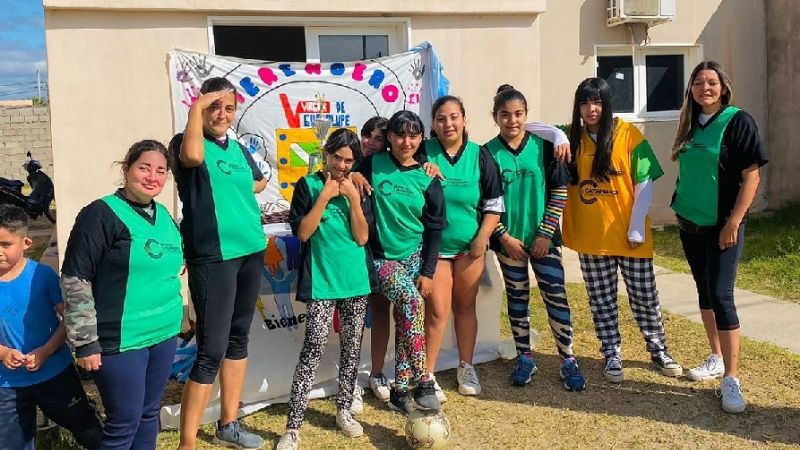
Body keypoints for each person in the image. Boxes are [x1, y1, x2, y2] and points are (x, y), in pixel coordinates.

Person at [61, 140, 183, 449]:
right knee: (123, 421)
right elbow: (76, 277)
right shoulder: (100, 214)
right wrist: (86, 341)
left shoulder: (164, 214)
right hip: (120, 338)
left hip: (164, 332)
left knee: (148, 414)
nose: (152, 177)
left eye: (160, 171)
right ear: (126, 168)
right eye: (144, 168)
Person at [563, 78, 682, 384]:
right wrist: (555, 134)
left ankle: (659, 350)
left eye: (597, 102)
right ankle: (611, 352)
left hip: (630, 237)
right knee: (601, 301)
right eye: (585, 102)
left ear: (606, 104)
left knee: (644, 296)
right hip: (592, 237)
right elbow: (533, 128)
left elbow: (644, 182)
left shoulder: (627, 134)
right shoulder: (570, 139)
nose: (591, 109)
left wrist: (635, 228)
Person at [171, 77, 267, 450]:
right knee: (211, 349)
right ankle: (187, 442)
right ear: (200, 108)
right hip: (213, 256)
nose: (222, 115)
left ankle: (229, 424)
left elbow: (258, 183)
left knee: (238, 339)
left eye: (229, 108)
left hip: (250, 250)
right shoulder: (186, 142)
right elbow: (193, 159)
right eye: (214, 107)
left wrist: (236, 191)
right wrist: (197, 107)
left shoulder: (237, 148)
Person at [670, 61, 767, 414]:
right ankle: (715, 356)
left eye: (711, 83)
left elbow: (751, 178)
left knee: (722, 296)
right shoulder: (691, 123)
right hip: (690, 223)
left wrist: (733, 223)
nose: (704, 88)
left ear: (723, 88)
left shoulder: (738, 121)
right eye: (698, 83)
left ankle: (731, 379)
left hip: (722, 226)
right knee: (704, 291)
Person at [276, 129, 378, 450]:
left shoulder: (359, 190)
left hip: (355, 281)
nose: (343, 166)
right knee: (314, 348)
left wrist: (351, 199)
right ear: (326, 154)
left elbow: (362, 238)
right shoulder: (307, 186)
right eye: (337, 158)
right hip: (322, 281)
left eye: (349, 160)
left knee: (351, 349)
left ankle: (344, 410)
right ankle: (293, 426)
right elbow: (304, 233)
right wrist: (324, 197)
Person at [485, 85, 586, 391]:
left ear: (526, 115)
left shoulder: (544, 147)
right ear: (495, 117)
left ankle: (568, 359)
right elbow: (485, 202)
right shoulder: (487, 153)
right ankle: (524, 356)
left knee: (556, 296)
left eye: (518, 114)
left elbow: (559, 192)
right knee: (517, 300)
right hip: (509, 243)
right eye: (505, 115)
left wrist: (544, 234)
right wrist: (504, 238)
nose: (512, 121)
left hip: (546, 242)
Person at [355, 110, 446, 415]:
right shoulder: (372, 164)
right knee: (411, 304)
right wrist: (354, 173)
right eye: (399, 134)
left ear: (421, 138)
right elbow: (344, 174)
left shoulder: (428, 176)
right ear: (390, 137)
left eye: (413, 135)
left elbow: (434, 228)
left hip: (415, 257)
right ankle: (423, 380)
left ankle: (400, 389)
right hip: (381, 258)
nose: (406, 141)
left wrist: (428, 271)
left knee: (407, 318)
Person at [420, 96, 503, 398]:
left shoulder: (481, 155)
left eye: (454, 117)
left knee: (465, 307)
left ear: (465, 119)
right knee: (437, 312)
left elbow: (495, 203)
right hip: (436, 249)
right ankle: (426, 375)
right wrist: (420, 168)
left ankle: (466, 366)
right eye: (441, 118)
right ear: (433, 124)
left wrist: (483, 237)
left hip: (470, 248)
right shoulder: (422, 152)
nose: (448, 124)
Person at [0, 205, 102, 450]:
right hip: (6, 385)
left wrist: (46, 350)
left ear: (25, 242)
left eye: (5, 244)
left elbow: (70, 318)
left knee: (87, 428)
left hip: (55, 372)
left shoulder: (42, 275)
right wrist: (3, 352)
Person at [359, 116, 393, 403]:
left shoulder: (393, 168)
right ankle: (348, 378)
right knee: (351, 316)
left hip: (382, 254)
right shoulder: (348, 164)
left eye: (379, 138)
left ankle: (377, 372)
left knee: (381, 311)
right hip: (352, 254)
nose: (371, 142)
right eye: (367, 135)